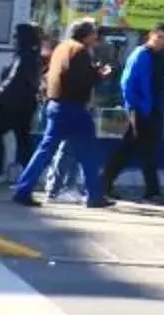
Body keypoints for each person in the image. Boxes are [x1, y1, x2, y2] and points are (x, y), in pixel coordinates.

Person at [13, 20, 113, 208]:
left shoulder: (62, 47)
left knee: (46, 150)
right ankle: (94, 196)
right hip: (73, 107)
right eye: (94, 33)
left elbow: (59, 74)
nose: (96, 37)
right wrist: (99, 75)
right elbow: (79, 80)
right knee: (87, 152)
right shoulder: (79, 50)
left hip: (57, 105)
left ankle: (23, 188)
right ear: (87, 34)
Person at [112, 25, 164, 201]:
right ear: (151, 36)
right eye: (158, 37)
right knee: (145, 150)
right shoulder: (141, 54)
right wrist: (134, 106)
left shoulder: (159, 57)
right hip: (140, 109)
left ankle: (105, 182)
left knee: (130, 148)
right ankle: (152, 190)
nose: (161, 41)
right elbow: (127, 83)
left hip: (153, 109)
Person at [0, 23, 44, 181]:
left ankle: (2, 170)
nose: (14, 39)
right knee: (22, 139)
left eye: (16, 36)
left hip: (12, 104)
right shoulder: (32, 55)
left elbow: (12, 78)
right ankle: (26, 173)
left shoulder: (24, 57)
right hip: (24, 104)